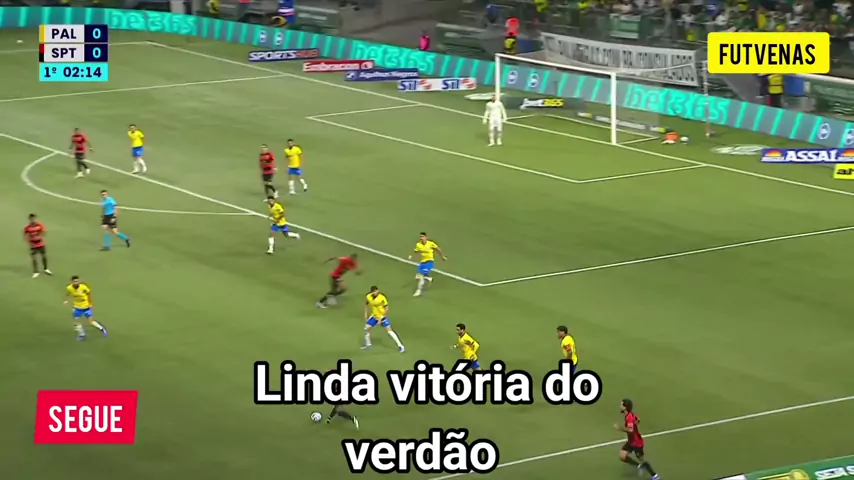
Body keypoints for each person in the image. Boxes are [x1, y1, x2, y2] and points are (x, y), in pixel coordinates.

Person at [615, 399, 660, 479]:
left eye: (621, 405)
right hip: (631, 441)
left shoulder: (629, 417)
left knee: (642, 459)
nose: (620, 406)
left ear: (625, 407)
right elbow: (638, 419)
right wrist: (634, 424)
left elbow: (630, 430)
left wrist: (620, 428)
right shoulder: (630, 415)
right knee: (622, 456)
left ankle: (654, 476)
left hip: (637, 443)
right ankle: (639, 466)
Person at [362, 286, 405, 352]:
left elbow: (387, 309)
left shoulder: (382, 298)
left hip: (382, 316)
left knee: (389, 331)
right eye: (374, 292)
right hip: (374, 316)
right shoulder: (368, 296)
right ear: (372, 292)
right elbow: (366, 303)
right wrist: (365, 313)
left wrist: (381, 318)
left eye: (376, 291)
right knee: (366, 329)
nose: (376, 293)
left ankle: (401, 346)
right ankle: (368, 344)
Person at [64, 275, 108, 341]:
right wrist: (66, 300)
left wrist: (90, 303)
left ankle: (101, 328)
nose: (76, 283)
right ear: (72, 282)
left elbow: (89, 294)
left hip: (86, 306)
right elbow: (68, 293)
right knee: (77, 322)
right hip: (77, 307)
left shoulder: (83, 287)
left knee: (91, 321)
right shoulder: (69, 288)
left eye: (77, 281)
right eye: (74, 281)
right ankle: (82, 335)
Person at [408, 232, 446, 297]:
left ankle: (419, 290)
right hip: (422, 263)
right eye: (420, 237)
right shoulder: (418, 244)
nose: (421, 238)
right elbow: (416, 251)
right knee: (421, 275)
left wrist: (442, 256)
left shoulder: (430, 244)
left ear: (426, 237)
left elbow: (438, 249)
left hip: (429, 262)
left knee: (421, 276)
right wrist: (411, 255)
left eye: (422, 236)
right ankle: (428, 278)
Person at [24, 214, 51, 278]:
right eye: (31, 219)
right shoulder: (27, 227)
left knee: (44, 256)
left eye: (34, 219)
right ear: (29, 219)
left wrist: (40, 237)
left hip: (41, 244)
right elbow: (25, 235)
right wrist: (29, 243)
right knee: (34, 258)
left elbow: (44, 231)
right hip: (33, 245)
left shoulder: (40, 225)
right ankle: (36, 272)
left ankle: (46, 269)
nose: (33, 220)